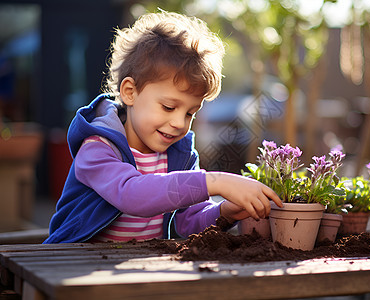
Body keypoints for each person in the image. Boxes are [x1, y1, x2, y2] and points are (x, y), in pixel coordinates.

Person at [44, 11, 282, 244]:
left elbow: (187, 223)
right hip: (73, 263)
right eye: (168, 107)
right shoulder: (98, 147)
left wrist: (226, 212)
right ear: (130, 92)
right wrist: (215, 181)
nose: (180, 123)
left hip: (139, 269)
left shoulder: (180, 154)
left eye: (190, 113)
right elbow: (131, 195)